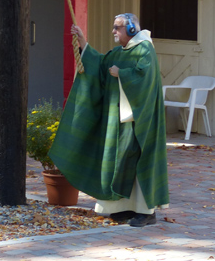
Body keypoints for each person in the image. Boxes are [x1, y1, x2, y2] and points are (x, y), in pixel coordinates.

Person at [49, 13, 169, 227]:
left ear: (131, 29)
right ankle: (122, 208)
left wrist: (121, 73)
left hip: (139, 121)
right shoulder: (119, 52)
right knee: (119, 161)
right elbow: (100, 65)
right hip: (119, 120)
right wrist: (83, 42)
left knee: (138, 160)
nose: (113, 31)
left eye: (117, 28)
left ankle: (146, 211)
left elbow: (144, 78)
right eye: (114, 27)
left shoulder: (145, 49)